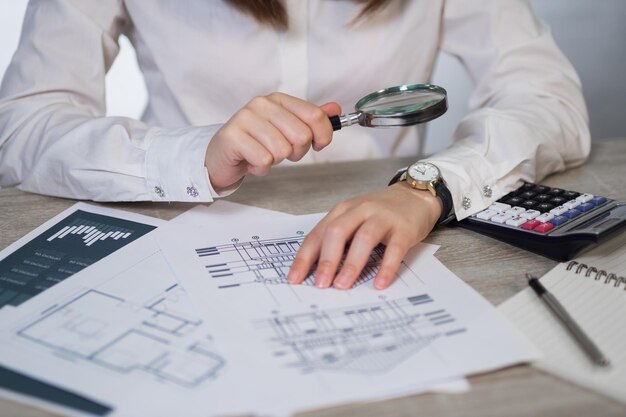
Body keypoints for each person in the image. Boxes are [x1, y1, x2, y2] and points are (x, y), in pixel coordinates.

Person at [0, 0, 590, 290]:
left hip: (404, 237)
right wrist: (191, 154)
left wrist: (428, 187)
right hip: (180, 232)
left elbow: (548, 98)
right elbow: (22, 126)